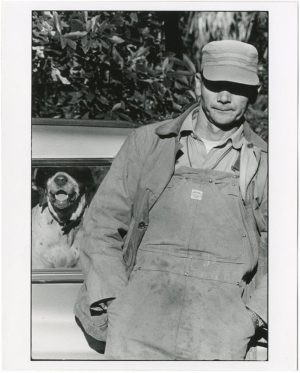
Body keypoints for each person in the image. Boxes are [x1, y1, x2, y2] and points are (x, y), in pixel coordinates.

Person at [74, 40, 268, 360]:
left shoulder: (266, 164)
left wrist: (252, 317)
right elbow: (101, 224)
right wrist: (116, 300)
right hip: (137, 328)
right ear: (197, 84)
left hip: (220, 339)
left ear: (254, 93)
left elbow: (288, 253)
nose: (224, 97)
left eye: (237, 87)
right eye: (216, 84)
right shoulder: (149, 144)